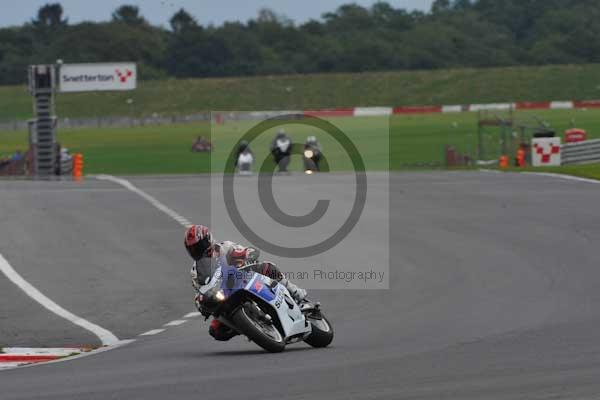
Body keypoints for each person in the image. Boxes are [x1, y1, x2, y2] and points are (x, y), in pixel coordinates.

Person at [184, 224, 308, 341]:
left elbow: (246, 252)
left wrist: (246, 256)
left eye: (199, 246)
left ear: (208, 240)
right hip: (223, 296)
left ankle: (295, 293)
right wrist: (201, 304)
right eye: (193, 249)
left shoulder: (224, 247)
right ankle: (249, 327)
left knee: (268, 267)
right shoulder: (196, 271)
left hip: (243, 278)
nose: (197, 250)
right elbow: (199, 291)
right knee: (215, 330)